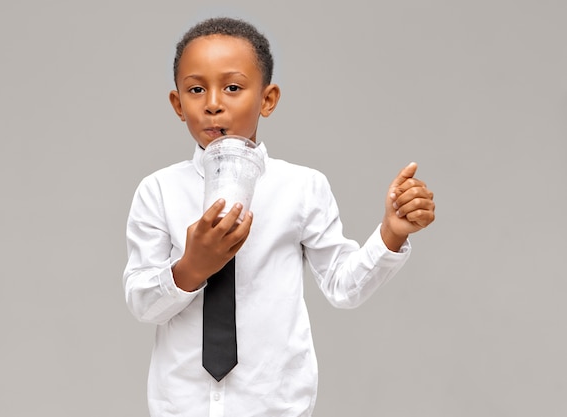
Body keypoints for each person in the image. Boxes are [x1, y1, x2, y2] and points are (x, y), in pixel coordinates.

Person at [123, 16, 435, 417]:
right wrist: (191, 267)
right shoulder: (158, 191)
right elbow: (141, 302)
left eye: (232, 87)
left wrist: (391, 234)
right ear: (178, 104)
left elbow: (344, 286)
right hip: (182, 406)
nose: (213, 102)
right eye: (196, 89)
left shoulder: (302, 188)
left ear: (267, 99)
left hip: (276, 406)